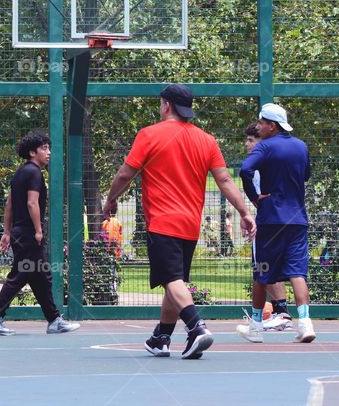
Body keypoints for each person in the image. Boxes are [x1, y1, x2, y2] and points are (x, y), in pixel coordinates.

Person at [102, 84, 256, 360]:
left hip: (162, 222)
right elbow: (224, 180)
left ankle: (197, 327)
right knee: (176, 281)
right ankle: (161, 336)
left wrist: (111, 198)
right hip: (190, 224)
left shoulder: (149, 134)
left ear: (166, 105)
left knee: (171, 279)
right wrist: (245, 212)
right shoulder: (206, 140)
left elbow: (126, 174)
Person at [0, 133, 80, 336]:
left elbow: (9, 204)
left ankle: (54, 320)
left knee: (41, 277)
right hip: (28, 234)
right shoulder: (35, 173)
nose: (49, 152)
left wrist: (7, 231)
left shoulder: (19, 174)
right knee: (20, 275)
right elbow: (31, 203)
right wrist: (38, 230)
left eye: (49, 148)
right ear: (32, 152)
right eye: (44, 148)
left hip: (19, 233)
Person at [237, 103, 315, 344]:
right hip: (298, 219)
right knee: (297, 273)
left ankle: (256, 327)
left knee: (262, 273)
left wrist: (254, 197)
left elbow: (244, 170)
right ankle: (305, 323)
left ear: (272, 125)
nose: (258, 127)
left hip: (271, 218)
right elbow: (307, 175)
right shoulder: (301, 146)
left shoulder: (266, 147)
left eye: (261, 123)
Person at [241, 122, 293, 332]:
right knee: (265, 268)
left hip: (270, 222)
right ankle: (280, 313)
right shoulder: (266, 163)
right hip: (274, 219)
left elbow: (263, 197)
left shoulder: (262, 166)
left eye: (251, 140)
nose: (247, 144)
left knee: (262, 267)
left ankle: (280, 313)